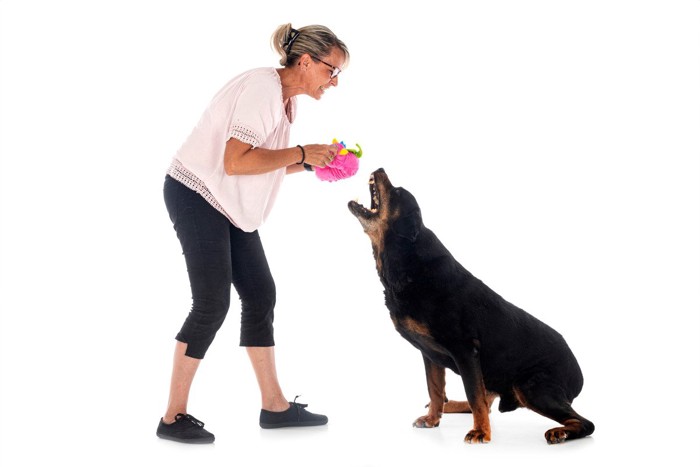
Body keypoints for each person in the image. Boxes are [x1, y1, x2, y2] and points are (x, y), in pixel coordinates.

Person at [156, 23, 350, 444]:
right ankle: (172, 417)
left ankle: (275, 407)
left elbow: (260, 160)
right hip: (196, 192)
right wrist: (301, 153)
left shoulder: (285, 100)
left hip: (226, 201)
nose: (334, 82)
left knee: (260, 293)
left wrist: (313, 164)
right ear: (305, 61)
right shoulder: (263, 90)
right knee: (211, 304)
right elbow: (235, 161)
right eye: (332, 71)